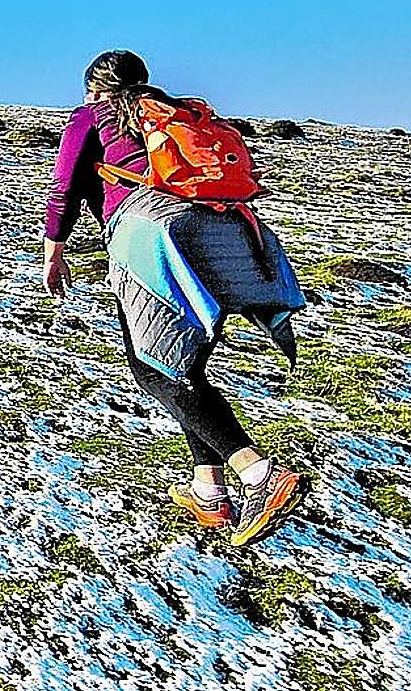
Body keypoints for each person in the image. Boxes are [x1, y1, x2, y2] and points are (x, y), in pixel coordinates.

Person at [42, 49, 309, 548]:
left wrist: (53, 253)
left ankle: (257, 472)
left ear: (92, 89)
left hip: (156, 232)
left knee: (153, 368)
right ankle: (209, 490)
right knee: (185, 366)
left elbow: (65, 190)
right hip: (230, 230)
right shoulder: (180, 113)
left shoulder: (93, 116)